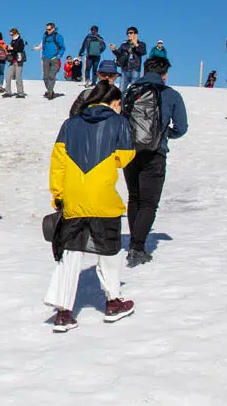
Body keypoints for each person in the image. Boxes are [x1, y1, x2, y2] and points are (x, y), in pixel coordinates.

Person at [44, 80, 137, 332]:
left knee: (71, 254)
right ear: (115, 103)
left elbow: (58, 164)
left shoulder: (69, 124)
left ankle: (63, 312)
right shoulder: (119, 122)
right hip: (103, 198)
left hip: (74, 198)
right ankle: (113, 302)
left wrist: (58, 195)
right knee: (108, 252)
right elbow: (125, 157)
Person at [121, 55, 188, 267]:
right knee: (149, 202)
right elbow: (182, 127)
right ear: (164, 74)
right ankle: (137, 248)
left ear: (143, 70)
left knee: (134, 198)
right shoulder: (171, 95)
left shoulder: (130, 92)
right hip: (155, 152)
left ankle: (134, 242)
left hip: (130, 152)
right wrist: (165, 133)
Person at [36, 23, 65, 99]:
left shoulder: (58, 36)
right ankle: (50, 90)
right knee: (45, 77)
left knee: (52, 76)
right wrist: (43, 55)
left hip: (54, 59)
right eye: (46, 29)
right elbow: (44, 47)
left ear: (53, 29)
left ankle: (50, 92)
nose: (47, 31)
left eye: (49, 29)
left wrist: (58, 56)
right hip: (46, 58)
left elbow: (62, 48)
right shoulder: (44, 36)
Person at [4, 28, 27, 98]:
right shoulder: (12, 41)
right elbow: (12, 50)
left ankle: (21, 93)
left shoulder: (20, 40)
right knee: (7, 76)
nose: (11, 36)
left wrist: (12, 48)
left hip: (19, 61)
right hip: (12, 61)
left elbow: (20, 49)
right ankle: (8, 92)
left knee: (18, 77)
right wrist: (8, 48)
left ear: (16, 33)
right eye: (10, 34)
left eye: (12, 34)